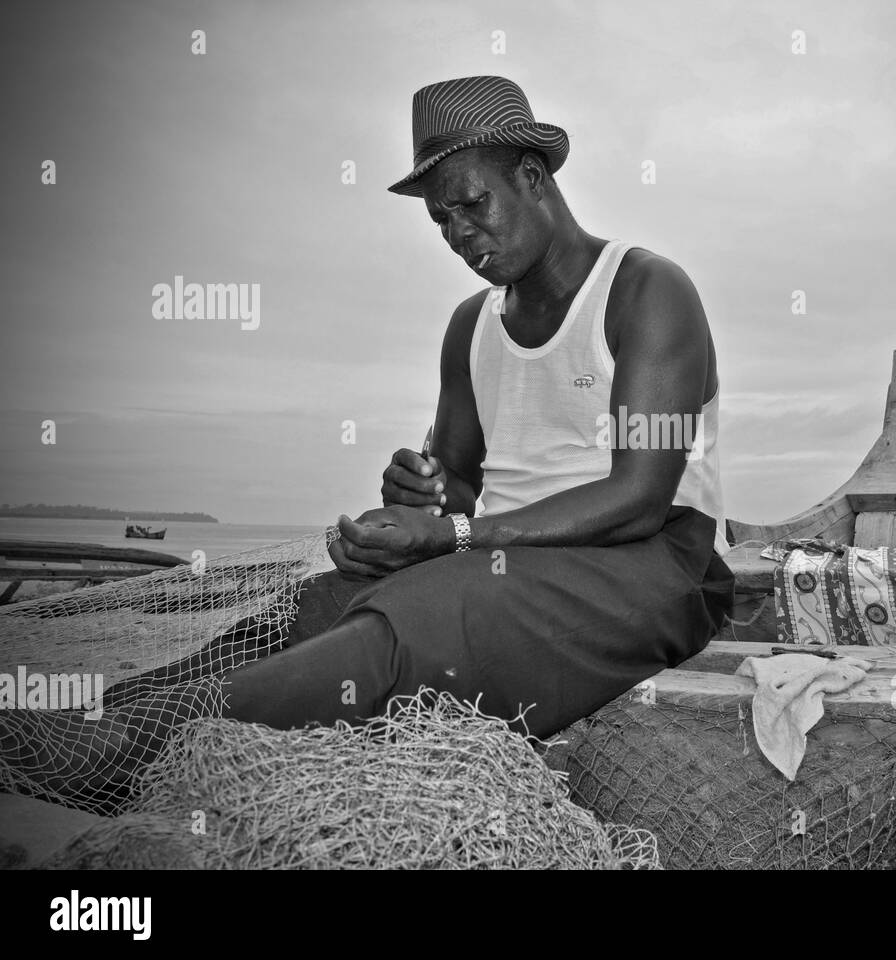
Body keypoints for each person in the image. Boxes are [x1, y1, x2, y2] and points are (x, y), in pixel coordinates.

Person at [2, 76, 732, 801]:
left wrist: (451, 534)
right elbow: (458, 485)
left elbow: (640, 497)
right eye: (441, 220)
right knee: (311, 608)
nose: (458, 234)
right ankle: (92, 719)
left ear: (532, 177)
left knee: (415, 620)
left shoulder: (644, 292)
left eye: (472, 203)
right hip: (503, 556)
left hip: (650, 563)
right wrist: (424, 497)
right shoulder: (470, 328)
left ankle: (128, 754)